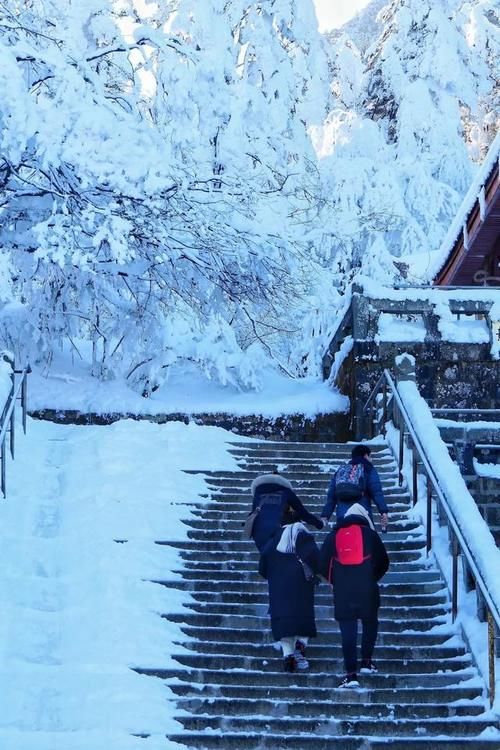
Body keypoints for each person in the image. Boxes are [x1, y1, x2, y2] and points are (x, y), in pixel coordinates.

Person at [319, 502, 389, 687]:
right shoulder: (371, 535)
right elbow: (384, 561)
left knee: (348, 631)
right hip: (367, 589)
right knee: (370, 622)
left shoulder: (333, 536)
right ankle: (366, 661)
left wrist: (335, 581)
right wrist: (371, 577)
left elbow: (321, 564)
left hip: (343, 592)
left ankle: (351, 674)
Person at [259, 505, 320, 672]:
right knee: (302, 618)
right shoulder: (304, 536)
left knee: (284, 622)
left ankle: (288, 655)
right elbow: (316, 559)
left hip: (279, 589)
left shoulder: (273, 540)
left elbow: (262, 567)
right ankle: (300, 645)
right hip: (302, 587)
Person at [250, 471, 323, 552]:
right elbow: (302, 512)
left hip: (259, 532)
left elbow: (253, 513)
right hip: (280, 532)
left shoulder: (258, 492)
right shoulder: (286, 491)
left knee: (266, 558)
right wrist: (319, 524)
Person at [321, 444, 389, 530]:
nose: (371, 459)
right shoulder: (368, 469)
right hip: (362, 515)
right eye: (370, 456)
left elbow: (331, 496)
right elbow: (377, 492)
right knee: (367, 540)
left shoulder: (342, 471)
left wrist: (325, 515)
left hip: (343, 516)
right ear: (365, 456)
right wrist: (383, 511)